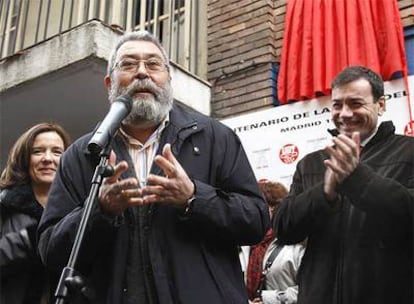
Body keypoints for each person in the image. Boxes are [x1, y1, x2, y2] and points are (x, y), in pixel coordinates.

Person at [37, 30, 269, 304]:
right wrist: (101, 210)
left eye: (153, 64)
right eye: (129, 64)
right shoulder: (82, 154)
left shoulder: (215, 138)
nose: (142, 73)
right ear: (110, 83)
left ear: (168, 79)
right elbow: (51, 250)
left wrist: (194, 198)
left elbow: (255, 221)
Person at [274, 65, 414, 304]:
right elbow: (284, 230)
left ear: (381, 105)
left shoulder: (409, 152)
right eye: (337, 105)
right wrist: (324, 194)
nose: (345, 113)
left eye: (356, 103)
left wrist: (357, 178)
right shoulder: (311, 163)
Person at [0, 122, 71, 304]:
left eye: (57, 152)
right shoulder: (5, 205)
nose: (47, 158)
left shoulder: (78, 211)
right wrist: (32, 239)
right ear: (25, 158)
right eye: (38, 151)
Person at [240, 180, 305, 304]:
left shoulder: (297, 245)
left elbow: (312, 289)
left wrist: (270, 299)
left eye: (262, 206)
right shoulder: (243, 245)